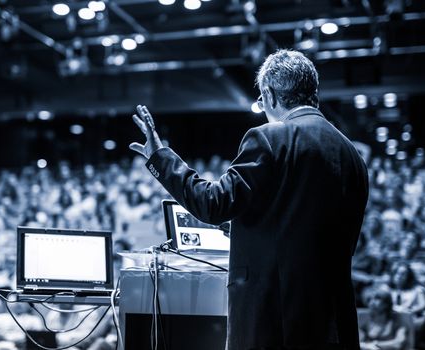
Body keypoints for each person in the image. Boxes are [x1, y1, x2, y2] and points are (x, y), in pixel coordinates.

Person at [129, 49, 369, 349]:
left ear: (269, 94)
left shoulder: (271, 137)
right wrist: (243, 227)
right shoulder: (352, 155)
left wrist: (160, 157)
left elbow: (212, 204)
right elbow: (303, 227)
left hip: (274, 319)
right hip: (333, 323)